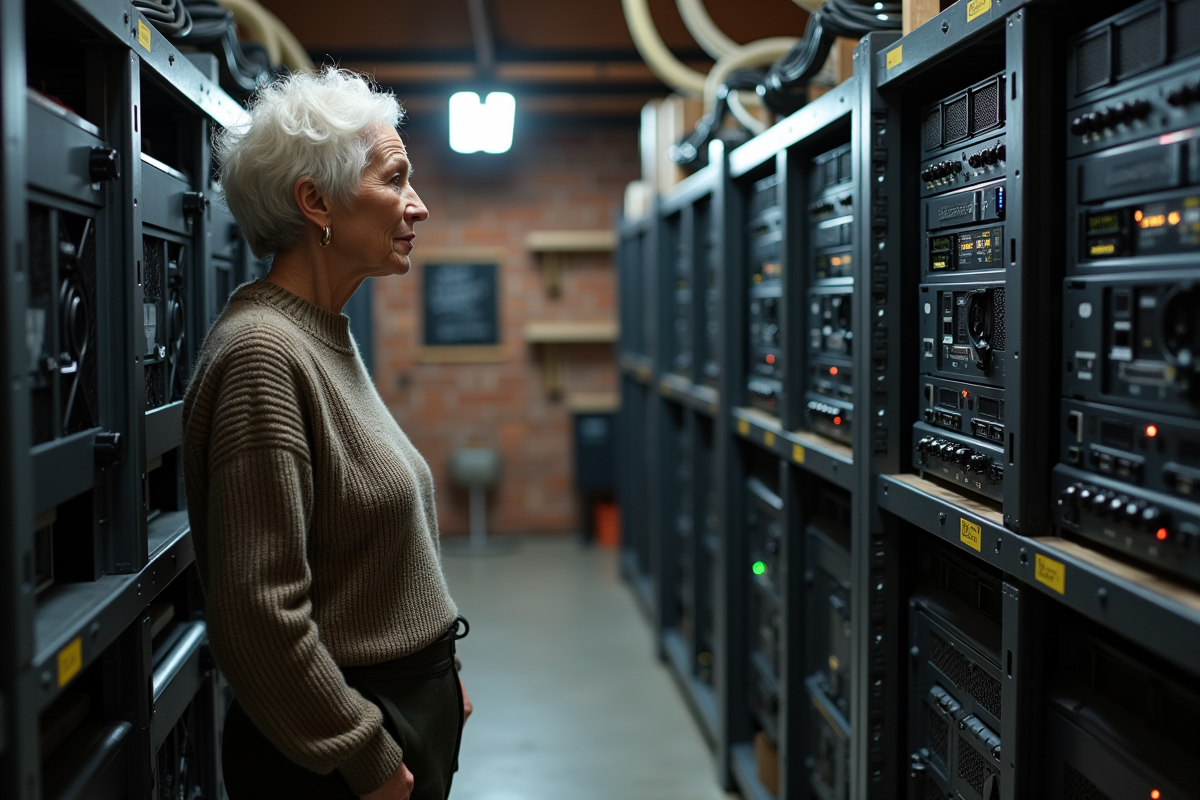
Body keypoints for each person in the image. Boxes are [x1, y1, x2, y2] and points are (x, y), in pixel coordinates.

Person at [182, 67, 470, 800]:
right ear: (316, 202)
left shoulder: (320, 334)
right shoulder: (263, 356)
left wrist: (440, 681)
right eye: (396, 178)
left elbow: (361, 551)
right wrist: (365, 752)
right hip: (333, 760)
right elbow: (258, 616)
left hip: (397, 713)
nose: (419, 207)